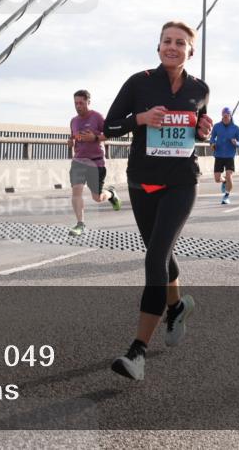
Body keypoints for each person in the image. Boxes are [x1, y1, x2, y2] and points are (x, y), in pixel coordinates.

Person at [104, 20, 213, 381]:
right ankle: (177, 305)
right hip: (142, 183)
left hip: (181, 182)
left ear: (190, 50)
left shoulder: (200, 89)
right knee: (161, 254)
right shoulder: (139, 82)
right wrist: (141, 118)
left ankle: (137, 352)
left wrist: (203, 129)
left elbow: (197, 130)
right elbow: (109, 126)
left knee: (155, 257)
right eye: (167, 41)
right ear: (158, 47)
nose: (173, 46)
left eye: (180, 42)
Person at [67, 90, 121, 236]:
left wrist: (95, 138)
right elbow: (73, 136)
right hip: (78, 161)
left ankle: (110, 193)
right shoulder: (74, 120)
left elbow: (109, 134)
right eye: (76, 103)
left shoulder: (97, 117)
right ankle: (80, 224)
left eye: (81, 103)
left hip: (96, 163)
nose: (78, 106)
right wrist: (70, 142)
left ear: (88, 102)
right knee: (76, 191)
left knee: (97, 198)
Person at [210, 107, 239, 205]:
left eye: (227, 116)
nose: (225, 118)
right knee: (217, 179)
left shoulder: (235, 128)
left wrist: (236, 143)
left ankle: (226, 196)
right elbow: (212, 138)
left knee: (229, 176)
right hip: (219, 155)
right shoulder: (216, 126)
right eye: (224, 116)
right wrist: (212, 144)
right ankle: (224, 181)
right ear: (222, 116)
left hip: (230, 155)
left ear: (230, 116)